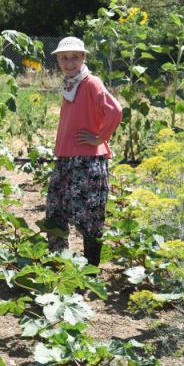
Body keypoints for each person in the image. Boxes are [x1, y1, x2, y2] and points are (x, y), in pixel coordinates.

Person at [45, 36, 122, 266]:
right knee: (56, 213)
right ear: (59, 60)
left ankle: (90, 271)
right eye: (64, 58)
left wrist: (100, 137)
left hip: (87, 160)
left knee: (88, 218)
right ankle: (59, 264)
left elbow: (115, 110)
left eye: (75, 58)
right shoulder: (70, 84)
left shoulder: (91, 82)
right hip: (66, 158)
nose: (69, 63)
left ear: (84, 58)